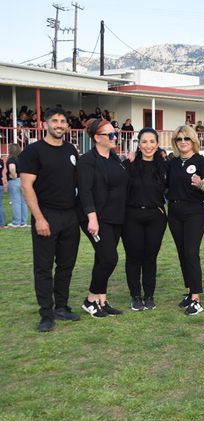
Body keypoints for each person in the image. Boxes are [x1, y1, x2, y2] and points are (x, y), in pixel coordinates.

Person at [19, 107, 81, 331]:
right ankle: (46, 314)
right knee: (44, 267)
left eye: (63, 121)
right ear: (45, 123)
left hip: (70, 216)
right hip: (46, 215)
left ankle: (61, 307)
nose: (59, 125)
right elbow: (26, 187)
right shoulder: (33, 151)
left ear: (67, 125)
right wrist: (39, 218)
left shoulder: (71, 150)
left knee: (66, 265)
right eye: (55, 121)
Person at [77, 118, 129, 318]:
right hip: (96, 219)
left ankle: (102, 301)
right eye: (111, 135)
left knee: (101, 259)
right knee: (109, 259)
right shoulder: (87, 160)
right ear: (97, 138)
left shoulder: (115, 159)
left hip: (116, 217)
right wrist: (92, 218)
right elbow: (85, 191)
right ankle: (90, 300)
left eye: (115, 133)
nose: (115, 137)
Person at [166, 125, 204, 315]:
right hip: (174, 211)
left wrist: (200, 183)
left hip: (194, 211)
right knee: (182, 253)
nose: (183, 142)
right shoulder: (172, 163)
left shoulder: (201, 161)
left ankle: (196, 298)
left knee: (191, 252)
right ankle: (189, 290)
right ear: (175, 142)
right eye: (179, 139)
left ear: (193, 141)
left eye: (186, 138)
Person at [121, 128, 167, 311]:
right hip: (132, 216)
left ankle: (149, 296)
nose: (148, 146)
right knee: (133, 257)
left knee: (150, 257)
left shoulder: (164, 166)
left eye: (152, 141)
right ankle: (135, 296)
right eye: (144, 142)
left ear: (157, 144)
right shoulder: (128, 164)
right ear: (138, 144)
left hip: (156, 217)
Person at [6, 144, 29, 227]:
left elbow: (12, 168)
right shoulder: (23, 158)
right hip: (23, 180)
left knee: (16, 202)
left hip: (15, 181)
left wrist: (14, 175)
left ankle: (16, 222)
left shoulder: (12, 159)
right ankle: (23, 222)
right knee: (23, 202)